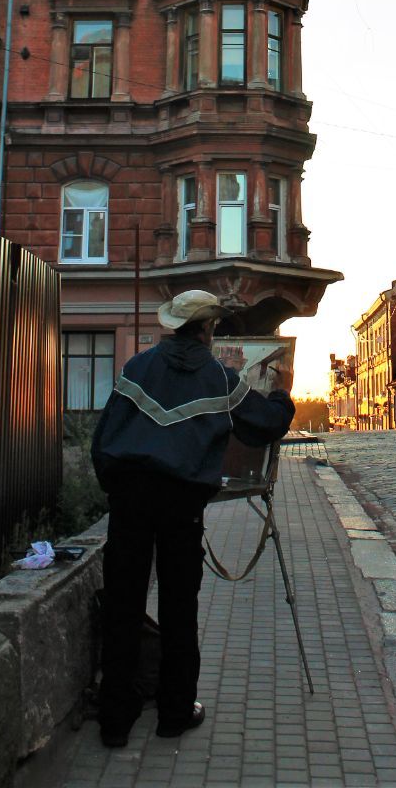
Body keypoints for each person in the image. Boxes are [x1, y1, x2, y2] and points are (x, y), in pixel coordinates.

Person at [91, 289, 294, 748]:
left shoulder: (136, 368)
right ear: (207, 330)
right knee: (180, 609)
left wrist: (118, 490)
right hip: (182, 505)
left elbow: (103, 440)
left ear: (172, 326)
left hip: (130, 501)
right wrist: (282, 395)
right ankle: (174, 714)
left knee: (123, 608)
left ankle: (114, 722)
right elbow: (263, 423)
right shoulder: (219, 378)